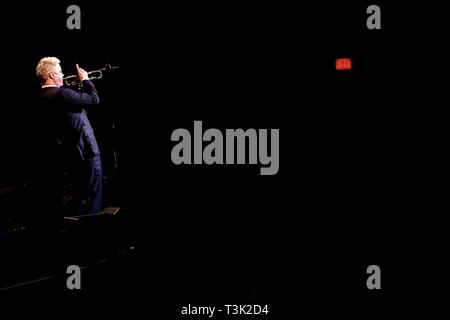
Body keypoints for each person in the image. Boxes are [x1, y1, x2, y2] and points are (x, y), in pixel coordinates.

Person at [36, 57, 102, 216]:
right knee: (92, 196)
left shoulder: (42, 97)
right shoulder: (62, 94)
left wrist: (78, 87)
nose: (63, 75)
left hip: (67, 155)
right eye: (60, 72)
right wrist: (85, 80)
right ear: (52, 75)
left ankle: (70, 230)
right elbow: (94, 99)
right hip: (86, 152)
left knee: (73, 197)